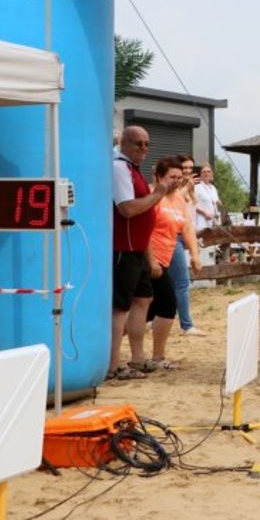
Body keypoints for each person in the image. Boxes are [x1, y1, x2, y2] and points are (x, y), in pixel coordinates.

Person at [109, 126, 176, 381]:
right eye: (139, 144)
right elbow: (127, 208)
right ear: (124, 143)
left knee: (143, 300)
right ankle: (112, 365)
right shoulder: (119, 167)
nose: (144, 149)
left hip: (137, 248)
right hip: (123, 249)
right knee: (120, 308)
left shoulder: (131, 169)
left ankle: (137, 358)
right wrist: (158, 193)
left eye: (147, 144)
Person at [144, 155, 202, 370]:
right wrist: (151, 260)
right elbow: (145, 230)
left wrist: (195, 256)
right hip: (149, 259)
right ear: (159, 176)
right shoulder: (151, 196)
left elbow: (186, 228)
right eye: (172, 177)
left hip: (166, 258)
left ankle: (111, 349)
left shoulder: (178, 199)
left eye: (180, 177)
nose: (177, 181)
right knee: (167, 305)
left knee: (145, 312)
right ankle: (157, 357)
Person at [175, 156, 206, 337]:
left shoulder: (192, 188)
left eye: (190, 167)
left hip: (187, 234)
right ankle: (186, 325)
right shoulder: (176, 186)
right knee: (182, 282)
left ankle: (160, 319)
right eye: (184, 167)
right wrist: (187, 187)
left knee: (177, 282)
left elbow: (191, 212)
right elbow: (174, 201)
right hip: (174, 235)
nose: (188, 170)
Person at [193, 162, 221, 232]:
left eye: (208, 171)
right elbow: (193, 204)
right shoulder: (196, 187)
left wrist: (218, 202)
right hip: (201, 222)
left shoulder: (213, 188)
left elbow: (216, 202)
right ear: (200, 175)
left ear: (212, 174)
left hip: (213, 222)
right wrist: (204, 213)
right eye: (204, 172)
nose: (206, 173)